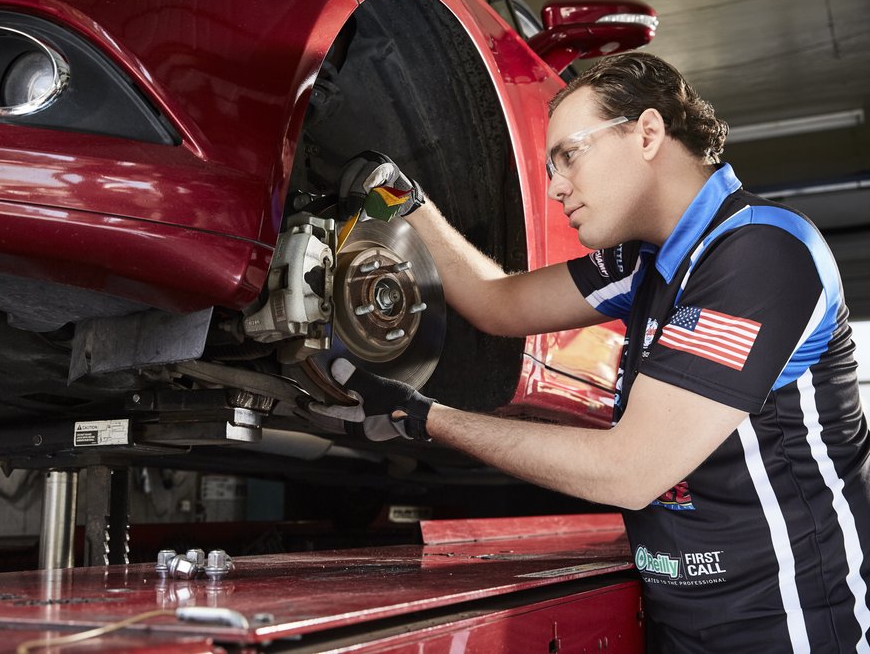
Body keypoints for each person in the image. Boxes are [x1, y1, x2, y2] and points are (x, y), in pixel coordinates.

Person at [323, 52, 870, 652]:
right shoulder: (645, 262)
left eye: (570, 155)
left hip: (791, 626)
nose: (555, 185)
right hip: (683, 626)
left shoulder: (760, 252)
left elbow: (630, 470)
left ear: (648, 133)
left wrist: (424, 416)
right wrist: (406, 202)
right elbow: (497, 303)